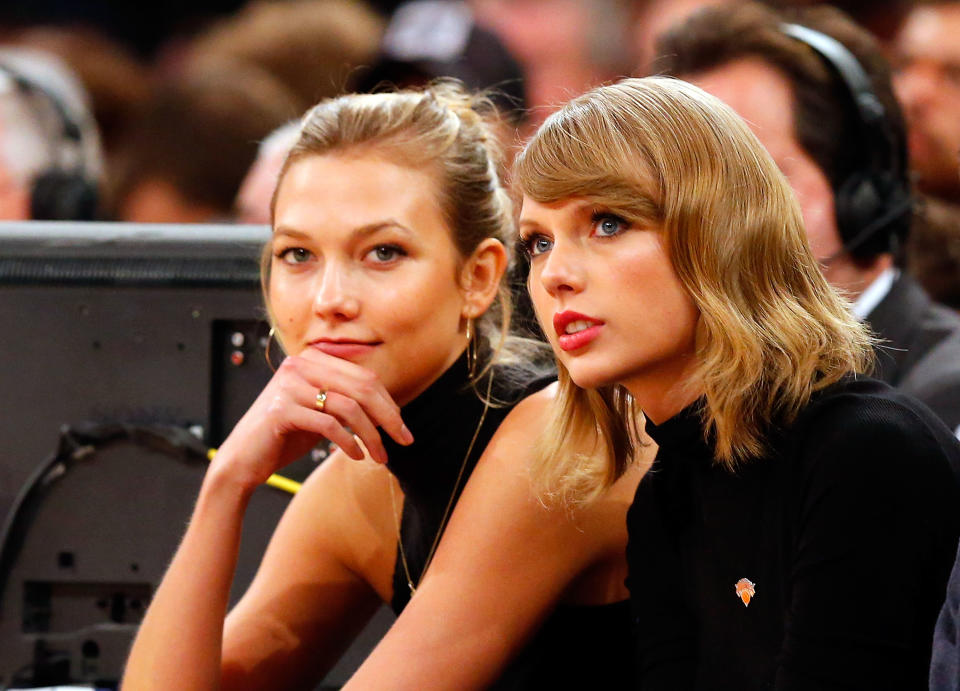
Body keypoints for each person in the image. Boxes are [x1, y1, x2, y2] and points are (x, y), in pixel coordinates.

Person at [122, 82, 636, 690]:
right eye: (297, 255)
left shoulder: (557, 439)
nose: (329, 300)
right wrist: (225, 484)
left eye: (383, 253)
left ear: (478, 277)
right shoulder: (359, 484)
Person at [514, 75, 960, 689]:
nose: (555, 274)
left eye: (608, 223)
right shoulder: (665, 495)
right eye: (537, 242)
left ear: (722, 235)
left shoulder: (864, 451)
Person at [650, 2, 960, 433]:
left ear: (861, 187)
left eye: (749, 182)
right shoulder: (670, 406)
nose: (704, 221)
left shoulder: (945, 400)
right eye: (679, 192)